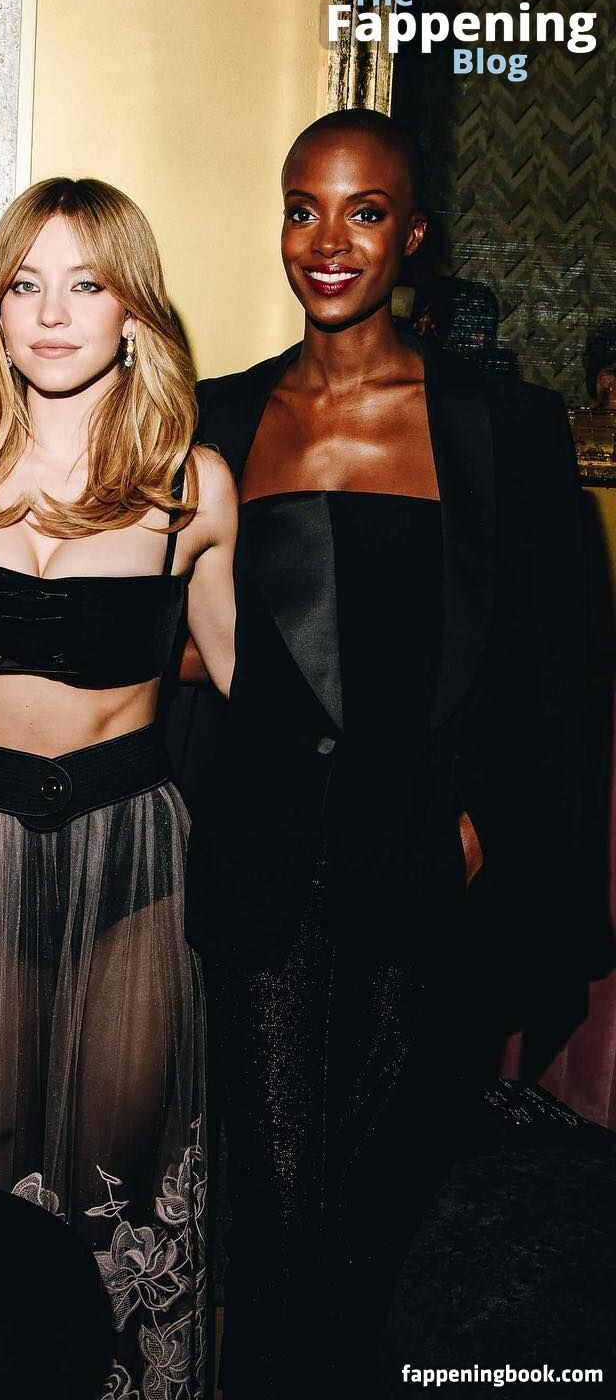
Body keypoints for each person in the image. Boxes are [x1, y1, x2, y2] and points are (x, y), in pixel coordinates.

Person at [180, 109, 585, 1398]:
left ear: (413, 235)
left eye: (364, 212)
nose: (328, 241)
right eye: (303, 207)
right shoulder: (219, 418)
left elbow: (558, 669)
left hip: (426, 874)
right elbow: (177, 635)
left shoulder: (502, 427)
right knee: (274, 1212)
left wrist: (495, 834)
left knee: (371, 1223)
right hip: (264, 869)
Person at [0, 177, 237, 1393]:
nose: (53, 312)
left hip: (130, 850)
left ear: (133, 312)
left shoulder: (190, 482)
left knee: (116, 1172)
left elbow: (251, 675)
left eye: (87, 284)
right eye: (26, 284)